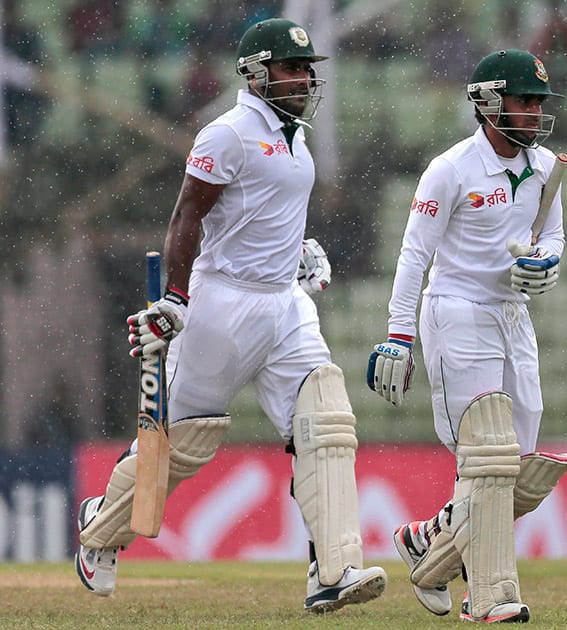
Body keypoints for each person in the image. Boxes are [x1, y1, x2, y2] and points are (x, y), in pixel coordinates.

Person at [73, 18, 386, 614]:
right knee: (184, 443)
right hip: (224, 302)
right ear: (255, 72)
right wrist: (176, 296)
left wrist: (297, 250)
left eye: (306, 69)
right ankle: (102, 529)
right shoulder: (229, 133)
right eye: (291, 68)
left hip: (285, 305)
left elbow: (262, 212)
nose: (304, 78)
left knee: (326, 417)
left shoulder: (295, 135)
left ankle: (334, 567)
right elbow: (188, 216)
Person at [367, 49, 567, 623]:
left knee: (523, 465)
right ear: (489, 103)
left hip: (512, 314)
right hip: (457, 311)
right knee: (488, 457)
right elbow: (415, 255)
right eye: (524, 101)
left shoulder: (542, 168)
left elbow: (554, 234)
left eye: (540, 103)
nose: (535, 113)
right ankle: (486, 598)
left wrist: (545, 262)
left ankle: (431, 544)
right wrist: (398, 333)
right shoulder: (451, 168)